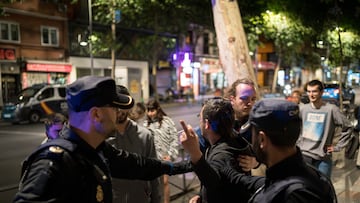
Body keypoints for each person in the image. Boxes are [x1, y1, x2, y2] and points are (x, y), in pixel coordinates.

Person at [14, 76, 192, 203]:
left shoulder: (95, 149)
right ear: (96, 114)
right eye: (113, 107)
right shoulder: (54, 163)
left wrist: (187, 164)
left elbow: (137, 165)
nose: (118, 113)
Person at [180, 99, 337, 203]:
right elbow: (260, 182)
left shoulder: (286, 196)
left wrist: (195, 155)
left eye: (252, 134)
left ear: (261, 139)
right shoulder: (317, 177)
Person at [180, 97, 262, 203]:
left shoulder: (222, 153)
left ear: (206, 123)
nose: (249, 103)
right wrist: (202, 196)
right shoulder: (235, 139)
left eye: (199, 119)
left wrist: (194, 153)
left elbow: (214, 183)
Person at [107, 85, 162, 203]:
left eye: (123, 106)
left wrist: (157, 200)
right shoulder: (102, 137)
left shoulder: (145, 135)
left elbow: (153, 173)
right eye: (116, 106)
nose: (120, 110)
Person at [297, 79, 353, 178]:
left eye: (314, 91)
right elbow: (295, 127)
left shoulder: (331, 109)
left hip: (323, 158)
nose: (311, 94)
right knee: (306, 187)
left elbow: (348, 126)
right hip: (304, 155)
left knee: (324, 188)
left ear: (321, 92)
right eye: (309, 91)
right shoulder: (303, 109)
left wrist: (338, 147)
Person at [144, 98, 178, 203]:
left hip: (164, 158)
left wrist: (170, 155)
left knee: (164, 182)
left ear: (157, 109)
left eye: (152, 110)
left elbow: (174, 139)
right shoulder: (146, 124)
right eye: (148, 110)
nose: (150, 113)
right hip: (151, 159)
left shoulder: (167, 121)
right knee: (152, 185)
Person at [225, 78, 262, 174]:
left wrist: (256, 162)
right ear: (232, 99)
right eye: (244, 98)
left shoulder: (257, 123)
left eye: (253, 99)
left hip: (244, 183)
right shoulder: (219, 119)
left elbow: (267, 153)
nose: (250, 103)